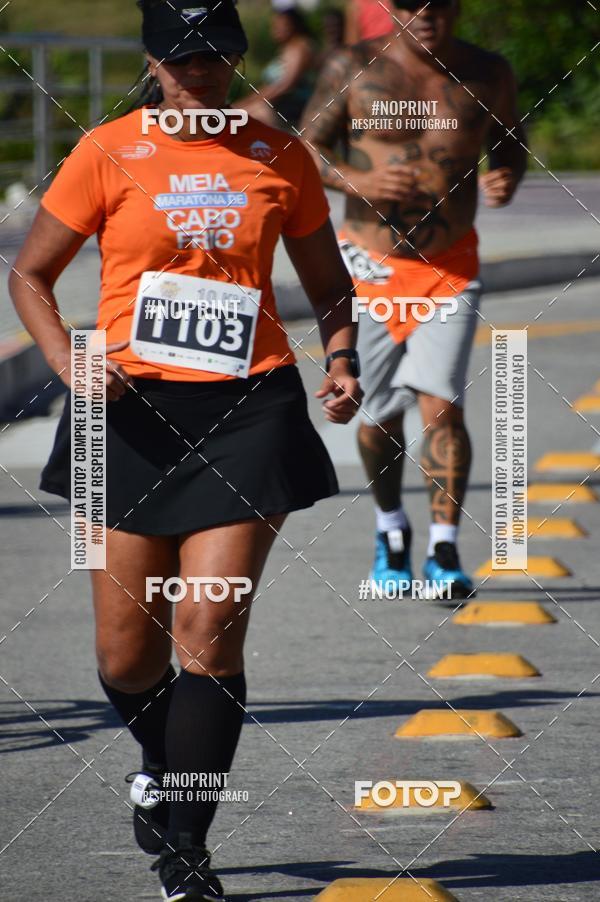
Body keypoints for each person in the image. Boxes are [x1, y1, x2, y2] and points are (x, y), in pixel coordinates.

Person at [9, 1, 362, 898]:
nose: (199, 69)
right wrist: (65, 359)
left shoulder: (277, 156)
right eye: (181, 55)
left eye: (215, 54)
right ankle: (164, 767)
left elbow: (328, 285)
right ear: (153, 60)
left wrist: (344, 359)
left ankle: (186, 849)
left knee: (207, 633)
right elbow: (31, 273)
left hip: (249, 411)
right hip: (123, 415)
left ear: (239, 57)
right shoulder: (108, 149)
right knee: (128, 658)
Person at [301, 0, 527, 598]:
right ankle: (390, 528)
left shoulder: (488, 71)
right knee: (379, 413)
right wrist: (363, 181)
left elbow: (508, 141)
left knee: (442, 405)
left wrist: (506, 176)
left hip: (450, 267)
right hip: (370, 264)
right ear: (390, 7)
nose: (425, 14)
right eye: (409, 3)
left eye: (439, 3)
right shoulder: (352, 66)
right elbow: (306, 147)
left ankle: (444, 549)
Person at [239, 7, 317, 130]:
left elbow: (285, 85)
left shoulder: (300, 48)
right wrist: (245, 103)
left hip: (294, 109)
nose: (275, 29)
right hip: (277, 105)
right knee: (242, 111)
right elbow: (268, 87)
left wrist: (249, 104)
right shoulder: (284, 50)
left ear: (293, 25)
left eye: (281, 25)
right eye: (274, 25)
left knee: (250, 113)